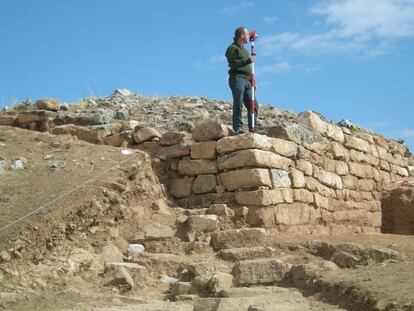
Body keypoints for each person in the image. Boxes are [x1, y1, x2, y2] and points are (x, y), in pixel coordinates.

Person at [225, 26, 259, 134]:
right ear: (241, 35)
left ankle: (253, 127)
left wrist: (253, 81)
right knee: (238, 102)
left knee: (253, 104)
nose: (249, 36)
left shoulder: (245, 51)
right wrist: (248, 60)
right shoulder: (232, 48)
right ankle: (238, 127)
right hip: (237, 78)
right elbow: (233, 63)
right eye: (247, 34)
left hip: (248, 81)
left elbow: (249, 69)